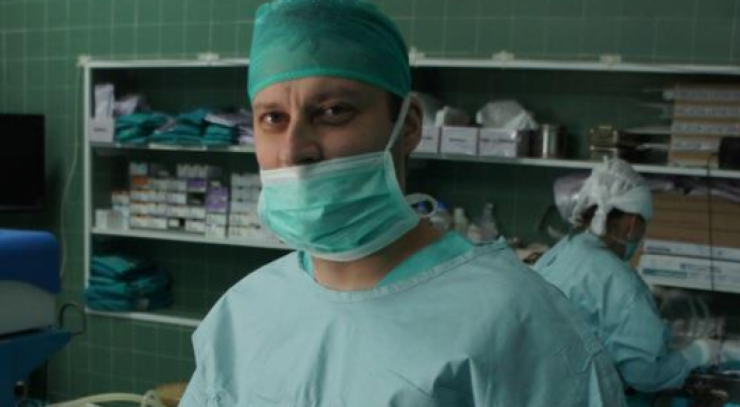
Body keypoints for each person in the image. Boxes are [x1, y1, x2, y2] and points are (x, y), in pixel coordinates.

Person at [180, 1, 628, 405]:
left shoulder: (514, 320)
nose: (295, 148)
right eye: (273, 118)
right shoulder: (243, 315)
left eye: (333, 111)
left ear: (409, 125)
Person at [533, 159, 721, 394]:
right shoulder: (623, 285)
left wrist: (658, 328)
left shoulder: (561, 251)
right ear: (632, 225)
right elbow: (645, 376)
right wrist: (699, 353)